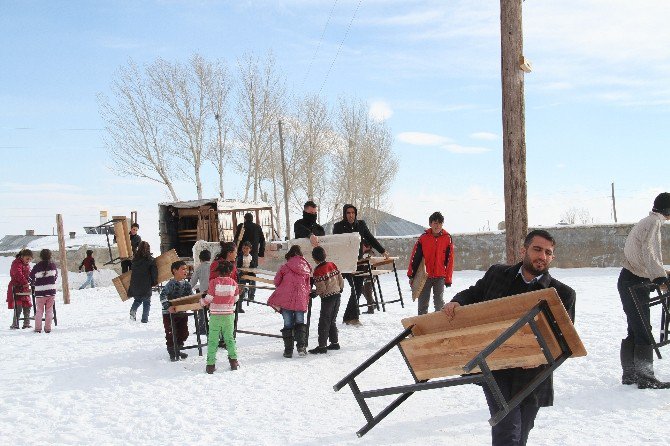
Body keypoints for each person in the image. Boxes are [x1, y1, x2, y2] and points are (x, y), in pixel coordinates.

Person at [442, 229, 576, 446]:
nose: (542, 256)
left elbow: (563, 343)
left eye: (548, 252)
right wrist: (458, 301)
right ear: (524, 250)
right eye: (537, 249)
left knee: (520, 434)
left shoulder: (562, 294)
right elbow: (474, 293)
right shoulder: (498, 274)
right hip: (496, 367)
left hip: (533, 376)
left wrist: (536, 357)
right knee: (507, 431)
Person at [617, 192, 670, 389]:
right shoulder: (654, 222)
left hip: (630, 279)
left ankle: (630, 374)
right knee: (643, 330)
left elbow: (643, 254)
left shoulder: (648, 220)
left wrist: (659, 272)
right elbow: (650, 251)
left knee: (635, 328)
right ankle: (645, 378)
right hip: (634, 282)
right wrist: (660, 276)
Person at [333, 204, 390, 326]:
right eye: (348, 213)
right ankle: (348, 317)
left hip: (358, 262)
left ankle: (350, 317)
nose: (351, 215)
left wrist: (383, 251)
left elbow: (371, 238)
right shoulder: (338, 226)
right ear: (344, 214)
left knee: (358, 288)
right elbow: (336, 244)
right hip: (344, 264)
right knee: (344, 289)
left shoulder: (361, 224)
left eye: (353, 212)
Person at [268, 245, 312, 358]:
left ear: (290, 254)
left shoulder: (285, 267)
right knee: (300, 322)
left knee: (288, 323)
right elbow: (308, 286)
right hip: (300, 299)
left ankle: (288, 350)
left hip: (286, 299)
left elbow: (277, 282)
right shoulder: (306, 268)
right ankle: (301, 347)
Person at [407, 211, 455, 315]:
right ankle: (422, 326)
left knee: (439, 304)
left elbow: (450, 260)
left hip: (440, 276)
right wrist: (411, 275)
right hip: (425, 276)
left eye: (439, 223)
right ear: (430, 224)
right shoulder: (423, 238)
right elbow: (415, 257)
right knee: (423, 303)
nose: (437, 225)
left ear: (442, 224)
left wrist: (448, 278)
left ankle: (439, 326)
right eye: (435, 223)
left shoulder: (447, 238)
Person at [201, 261, 240, 373]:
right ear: (230, 271)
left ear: (218, 271)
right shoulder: (233, 283)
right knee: (229, 339)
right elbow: (236, 299)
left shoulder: (214, 282)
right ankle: (233, 361)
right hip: (228, 315)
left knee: (213, 340)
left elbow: (209, 298)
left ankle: (210, 365)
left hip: (215, 316)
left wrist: (202, 302)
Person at [309, 246, 344, 354]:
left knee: (324, 322)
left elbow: (322, 288)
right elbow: (340, 279)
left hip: (327, 299)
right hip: (337, 295)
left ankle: (322, 346)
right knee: (332, 320)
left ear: (314, 258)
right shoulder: (332, 264)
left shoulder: (318, 271)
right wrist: (340, 288)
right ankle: (334, 343)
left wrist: (314, 293)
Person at [160, 261, 193, 361]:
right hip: (169, 314)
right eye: (183, 269)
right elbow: (163, 296)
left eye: (186, 269)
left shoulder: (187, 284)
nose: (185, 271)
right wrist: (168, 307)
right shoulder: (171, 284)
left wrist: (194, 305)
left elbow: (191, 297)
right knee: (171, 333)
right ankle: (172, 351)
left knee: (183, 332)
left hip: (182, 313)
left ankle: (177, 348)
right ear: (174, 271)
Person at [127, 241, 158, 323]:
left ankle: (133, 311)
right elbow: (154, 273)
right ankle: (144, 319)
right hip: (146, 284)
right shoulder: (150, 260)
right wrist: (154, 282)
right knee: (147, 302)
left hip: (135, 284)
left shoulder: (134, 260)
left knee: (137, 300)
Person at [29, 249, 58, 333]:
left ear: (40, 256)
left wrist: (35, 283)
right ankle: (48, 328)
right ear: (50, 256)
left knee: (39, 311)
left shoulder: (36, 266)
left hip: (40, 292)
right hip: (51, 292)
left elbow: (30, 278)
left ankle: (38, 328)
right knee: (49, 310)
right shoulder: (53, 266)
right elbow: (55, 277)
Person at [7, 248, 33, 329]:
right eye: (27, 258)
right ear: (22, 257)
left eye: (30, 259)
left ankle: (26, 323)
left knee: (27, 305)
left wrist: (30, 281)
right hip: (16, 287)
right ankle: (15, 323)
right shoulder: (16, 263)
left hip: (24, 288)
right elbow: (17, 273)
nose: (28, 260)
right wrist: (25, 282)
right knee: (18, 306)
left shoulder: (27, 265)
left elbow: (29, 275)